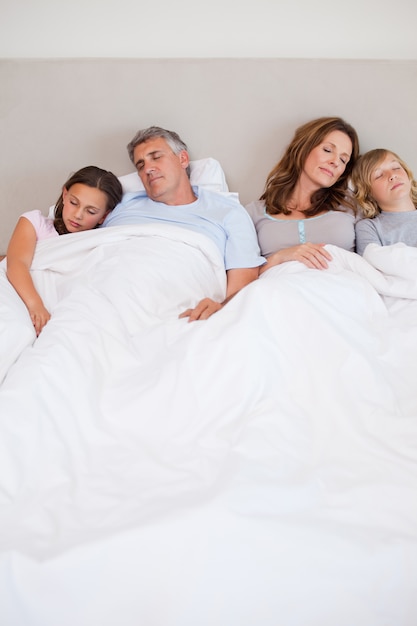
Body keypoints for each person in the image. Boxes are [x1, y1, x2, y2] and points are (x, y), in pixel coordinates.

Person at [103, 126, 265, 320]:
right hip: (104, 294)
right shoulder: (121, 207)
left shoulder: (228, 213)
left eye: (156, 157)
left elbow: (243, 284)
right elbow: (84, 250)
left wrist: (221, 307)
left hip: (174, 303)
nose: (148, 168)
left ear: (183, 159)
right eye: (140, 165)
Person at [6, 166, 123, 336]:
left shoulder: (101, 242)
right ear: (65, 194)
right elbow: (16, 264)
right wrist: (36, 305)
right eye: (74, 203)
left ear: (104, 216)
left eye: (90, 211)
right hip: (26, 301)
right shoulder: (35, 222)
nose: (78, 215)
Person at [245, 116, 360, 273]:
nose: (335, 162)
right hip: (275, 293)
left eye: (343, 160)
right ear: (303, 148)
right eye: (327, 150)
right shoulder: (253, 213)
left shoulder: (352, 208)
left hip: (338, 292)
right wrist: (280, 257)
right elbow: (241, 278)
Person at [351, 148, 417, 256]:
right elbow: (373, 266)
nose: (392, 175)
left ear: (407, 174)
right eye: (379, 175)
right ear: (368, 193)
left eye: (396, 168)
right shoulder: (370, 228)